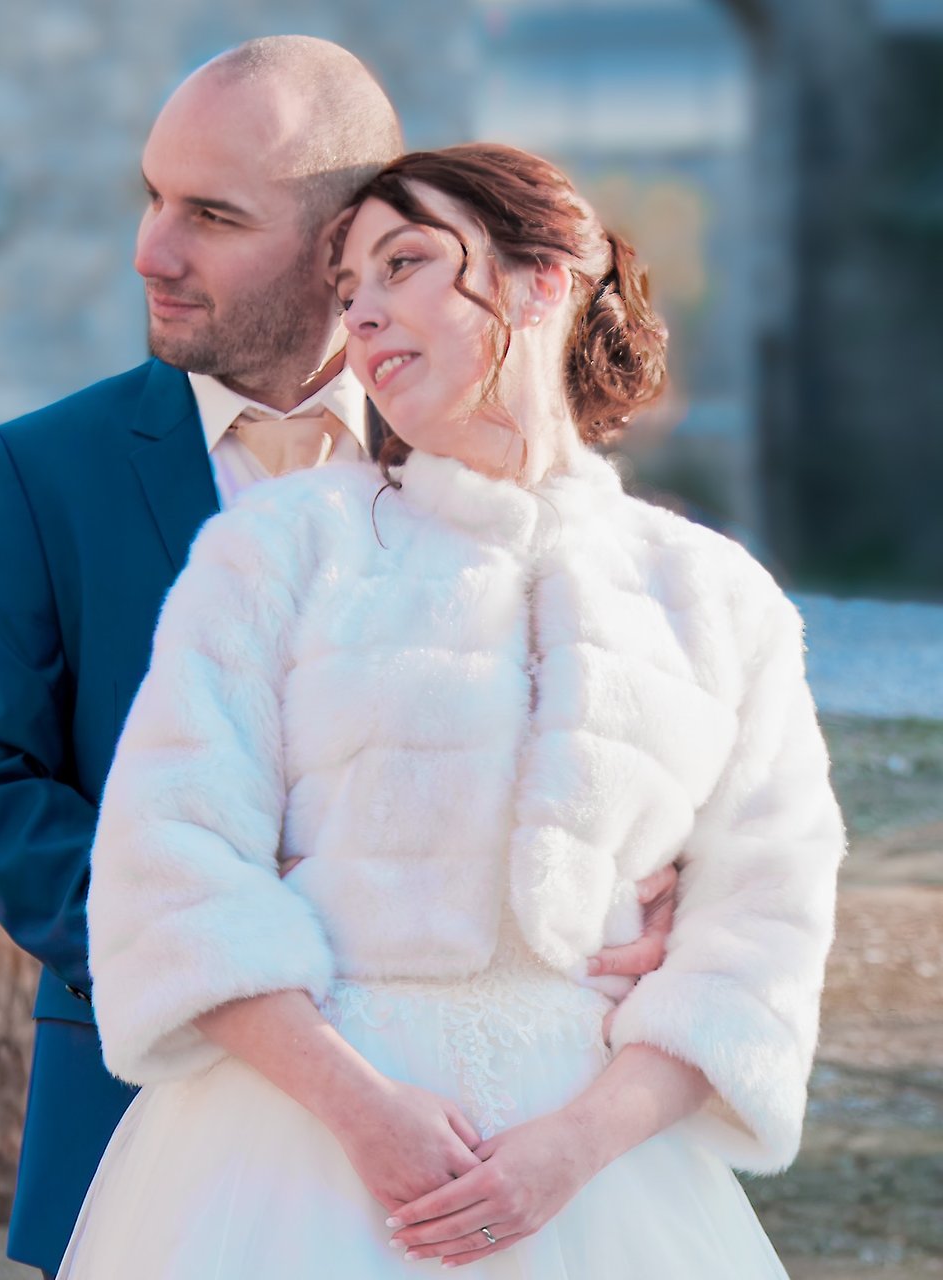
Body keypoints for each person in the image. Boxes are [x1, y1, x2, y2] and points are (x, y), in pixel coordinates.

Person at [0, 38, 677, 1278]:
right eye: (150, 196)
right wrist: (198, 947)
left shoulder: (493, 452)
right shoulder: (40, 470)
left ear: (345, 241)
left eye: (210, 215)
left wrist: (665, 878)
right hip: (144, 1099)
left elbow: (625, 731)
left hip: (476, 1118)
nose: (150, 251)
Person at [58, 142, 845, 1277]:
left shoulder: (715, 598)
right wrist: (365, 1111)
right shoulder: (278, 552)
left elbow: (763, 927)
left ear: (543, 281)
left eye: (404, 264)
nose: (363, 317)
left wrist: (573, 1150)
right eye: (347, 293)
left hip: (601, 1182)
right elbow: (168, 862)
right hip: (291, 1159)